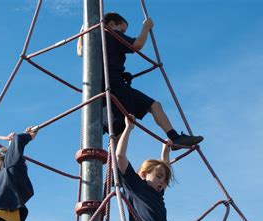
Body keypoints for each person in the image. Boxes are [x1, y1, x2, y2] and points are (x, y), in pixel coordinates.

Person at [78, 12, 203, 149]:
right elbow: (137, 44)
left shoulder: (95, 41)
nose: (123, 33)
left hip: (114, 84)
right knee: (122, 126)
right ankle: (118, 163)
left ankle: (175, 138)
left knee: (153, 105)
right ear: (112, 25)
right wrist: (146, 27)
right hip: (113, 86)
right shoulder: (110, 34)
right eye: (122, 30)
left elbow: (80, 51)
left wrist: (84, 29)